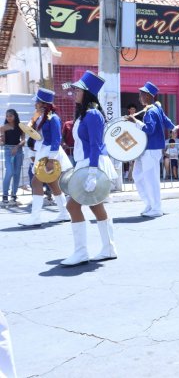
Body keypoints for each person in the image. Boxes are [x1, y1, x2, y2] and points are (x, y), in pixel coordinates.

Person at [62, 71, 119, 266]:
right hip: (85, 164)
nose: (75, 91)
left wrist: (93, 173)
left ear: (87, 92)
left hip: (91, 164)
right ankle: (108, 248)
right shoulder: (84, 114)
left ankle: (81, 252)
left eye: (78, 89)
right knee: (96, 206)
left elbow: (95, 145)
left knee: (72, 205)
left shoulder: (93, 114)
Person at [18, 88, 73, 227]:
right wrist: (36, 116)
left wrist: (51, 160)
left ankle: (35, 217)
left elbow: (56, 139)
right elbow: (30, 130)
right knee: (53, 184)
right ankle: (64, 213)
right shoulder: (41, 117)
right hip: (43, 152)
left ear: (43, 103)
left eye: (37, 102)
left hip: (50, 154)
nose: (35, 104)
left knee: (36, 182)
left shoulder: (53, 118)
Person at [127, 81, 178, 217]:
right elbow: (166, 121)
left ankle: (156, 208)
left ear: (149, 96)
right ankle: (150, 204)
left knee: (151, 179)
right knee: (138, 175)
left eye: (141, 95)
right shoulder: (157, 108)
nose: (139, 98)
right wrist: (173, 127)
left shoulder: (151, 111)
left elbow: (149, 129)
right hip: (148, 149)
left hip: (150, 149)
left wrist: (135, 121)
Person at [1, 109, 24, 207]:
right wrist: (1, 140)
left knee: (17, 173)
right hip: (8, 151)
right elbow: (3, 142)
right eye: (7, 116)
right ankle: (5, 196)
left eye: (10, 116)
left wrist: (17, 147)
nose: (8, 118)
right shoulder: (3, 127)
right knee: (9, 172)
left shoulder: (21, 126)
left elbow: (23, 140)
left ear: (15, 116)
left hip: (18, 151)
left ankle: (13, 196)